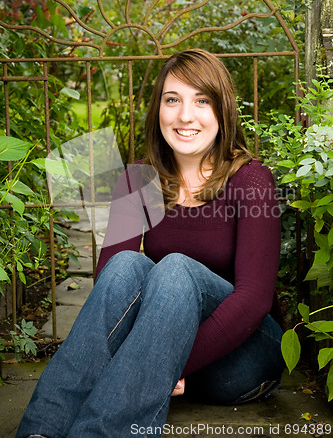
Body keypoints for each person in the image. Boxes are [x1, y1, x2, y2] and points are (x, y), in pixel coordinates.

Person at [16, 49, 285, 438]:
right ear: (158, 108)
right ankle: (40, 430)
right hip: (163, 350)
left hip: (244, 355)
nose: (185, 116)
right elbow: (111, 279)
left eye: (202, 101)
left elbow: (255, 300)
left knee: (175, 267)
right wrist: (155, 362)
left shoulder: (252, 180)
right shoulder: (138, 180)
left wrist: (165, 365)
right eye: (172, 100)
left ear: (222, 111)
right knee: (125, 265)